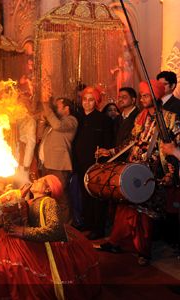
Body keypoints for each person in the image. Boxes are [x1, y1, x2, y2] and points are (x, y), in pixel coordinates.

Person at [95, 80, 179, 265]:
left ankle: (144, 252)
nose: (142, 99)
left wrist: (171, 173)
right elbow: (131, 142)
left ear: (156, 96)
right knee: (124, 206)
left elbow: (175, 147)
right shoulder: (140, 117)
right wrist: (111, 152)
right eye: (141, 95)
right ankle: (117, 242)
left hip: (153, 172)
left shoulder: (170, 118)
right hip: (133, 168)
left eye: (146, 95)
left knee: (145, 213)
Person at [0, 175, 100, 300]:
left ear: (47, 189)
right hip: (24, 243)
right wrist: (11, 199)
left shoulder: (48, 202)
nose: (35, 180)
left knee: (3, 271)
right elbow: (5, 223)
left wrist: (24, 232)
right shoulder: (28, 202)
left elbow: (55, 231)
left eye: (40, 181)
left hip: (41, 246)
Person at [72, 86, 113, 239]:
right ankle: (88, 223)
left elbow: (108, 143)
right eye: (84, 100)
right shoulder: (77, 118)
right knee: (84, 195)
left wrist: (104, 155)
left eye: (91, 100)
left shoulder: (104, 120)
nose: (87, 103)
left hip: (96, 165)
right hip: (80, 163)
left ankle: (98, 228)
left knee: (97, 197)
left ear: (96, 102)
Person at [39, 97, 78, 223]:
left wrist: (46, 106)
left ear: (67, 108)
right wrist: (41, 120)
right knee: (48, 197)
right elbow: (39, 135)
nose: (55, 109)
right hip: (47, 164)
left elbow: (57, 125)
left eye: (58, 106)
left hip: (59, 166)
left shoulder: (70, 120)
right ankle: (51, 224)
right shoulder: (53, 122)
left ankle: (66, 227)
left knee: (61, 197)